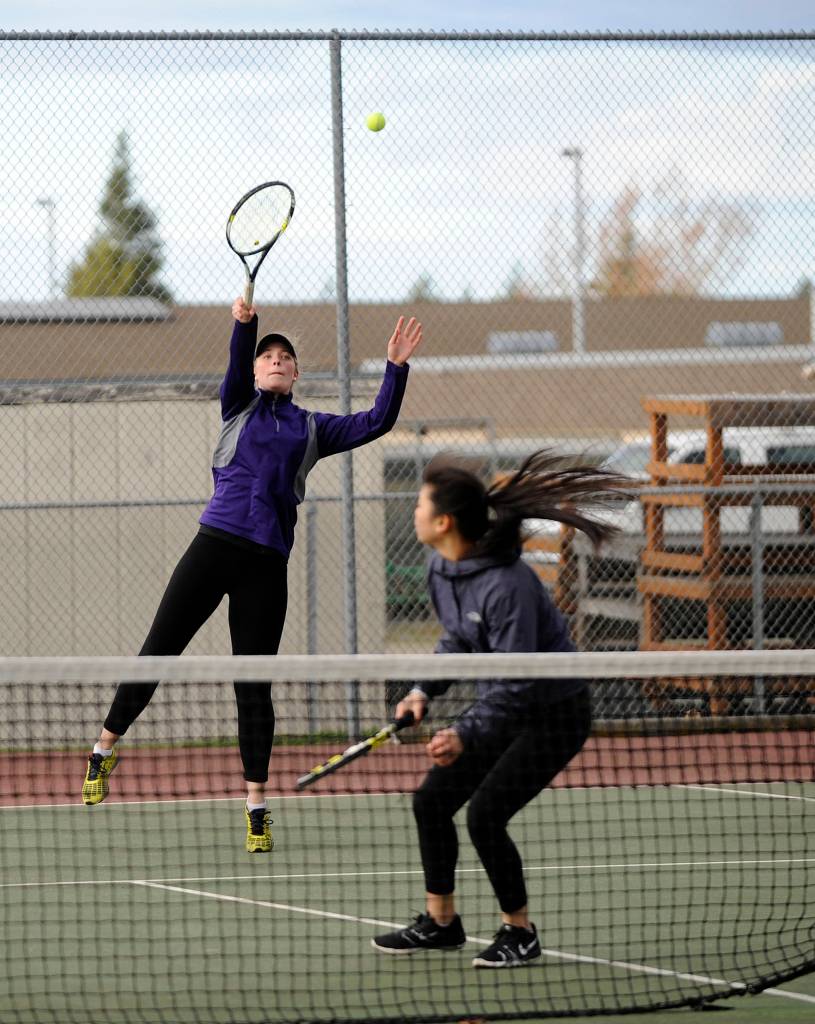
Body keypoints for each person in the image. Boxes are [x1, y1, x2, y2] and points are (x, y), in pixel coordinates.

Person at [82, 297, 423, 853]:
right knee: (158, 650)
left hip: (266, 566)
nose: (276, 361)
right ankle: (102, 748)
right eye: (268, 356)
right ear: (255, 369)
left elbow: (377, 421)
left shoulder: (313, 428)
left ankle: (256, 807)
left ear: (295, 374)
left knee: (253, 687)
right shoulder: (236, 404)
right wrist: (246, 326)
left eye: (285, 358)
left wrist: (395, 368)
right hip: (213, 546)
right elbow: (241, 355)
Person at [371, 451, 628, 967]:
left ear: (443, 522)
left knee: (486, 816)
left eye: (420, 504)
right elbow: (458, 640)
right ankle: (441, 924)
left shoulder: (509, 585)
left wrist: (464, 732)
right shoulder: (441, 566)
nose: (414, 512)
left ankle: (521, 932)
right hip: (504, 708)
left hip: (553, 713)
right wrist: (423, 690)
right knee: (431, 804)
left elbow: (518, 682)